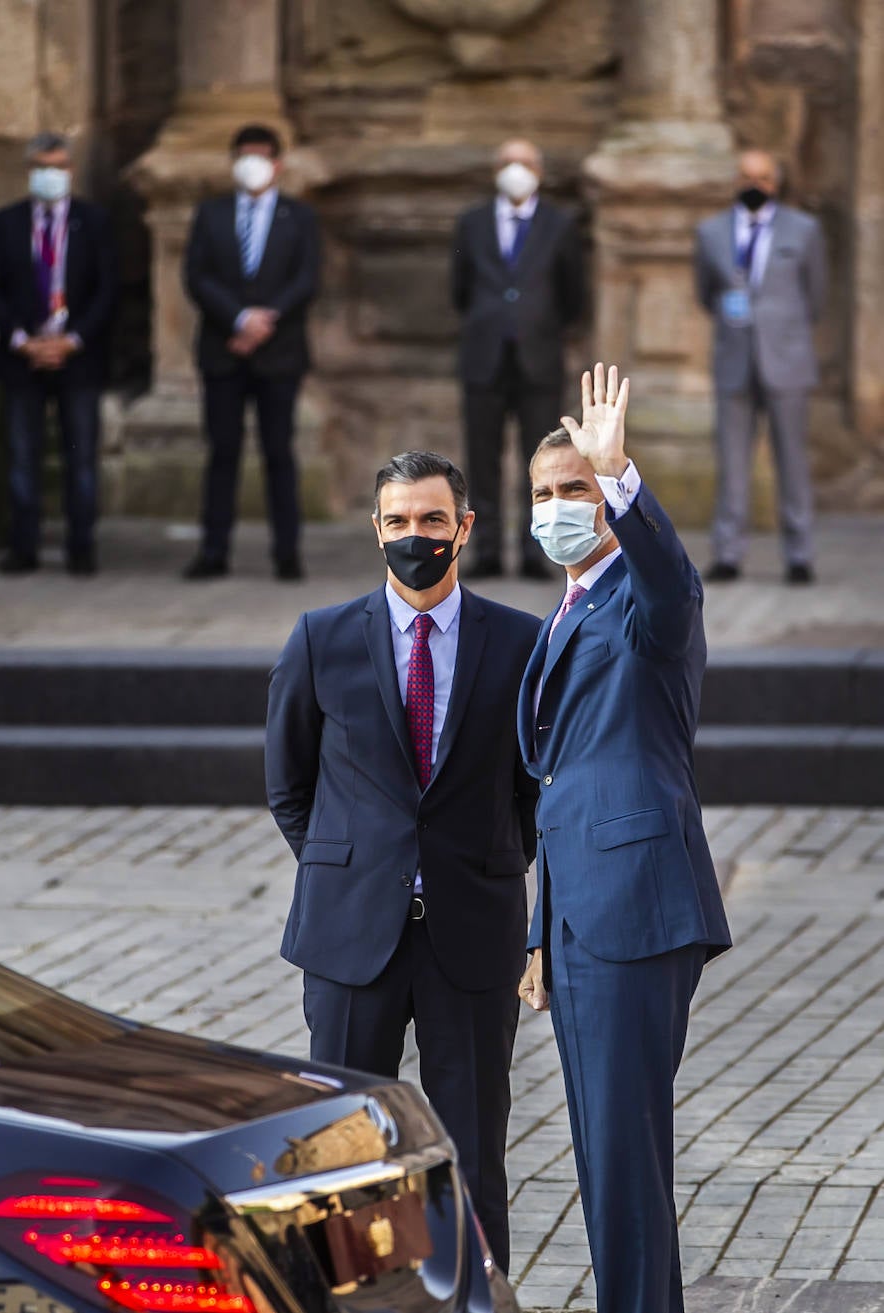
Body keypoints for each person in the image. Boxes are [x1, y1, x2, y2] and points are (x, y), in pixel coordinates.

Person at [266, 451, 542, 1273]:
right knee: (345, 1155)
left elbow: (535, 785)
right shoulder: (321, 639)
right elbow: (290, 785)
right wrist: (355, 873)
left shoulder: (522, 641)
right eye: (397, 522)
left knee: (472, 1157)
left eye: (430, 520)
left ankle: (473, 1296)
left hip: (473, 937)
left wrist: (491, 864)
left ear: (463, 528)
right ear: (375, 530)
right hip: (352, 941)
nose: (413, 536)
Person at [516, 362, 732, 1313]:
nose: (561, 507)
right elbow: (561, 782)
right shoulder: (565, 608)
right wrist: (538, 931)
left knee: (624, 1152)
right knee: (607, 1153)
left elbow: (675, 589)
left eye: (576, 491)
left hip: (636, 912)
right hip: (578, 920)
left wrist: (622, 477)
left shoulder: (641, 604)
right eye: (546, 494)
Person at [181, 124, 320, 582]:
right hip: (223, 349)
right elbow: (197, 276)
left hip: (279, 353)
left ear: (277, 164)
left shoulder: (299, 217)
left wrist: (265, 319)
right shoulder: (211, 214)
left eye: (261, 156)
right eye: (244, 155)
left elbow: (307, 278)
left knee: (279, 451)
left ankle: (287, 553)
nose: (252, 164)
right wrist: (239, 319)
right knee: (222, 452)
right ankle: (213, 550)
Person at [0, 132, 118, 576]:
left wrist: (70, 340)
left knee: (80, 456)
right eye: (42, 166)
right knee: (23, 457)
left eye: (58, 166)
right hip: (23, 360)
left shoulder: (94, 222)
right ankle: (23, 547)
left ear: (71, 171)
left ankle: (82, 547)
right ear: (29, 171)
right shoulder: (7, 222)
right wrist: (23, 340)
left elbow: (107, 290)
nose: (50, 174)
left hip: (78, 361)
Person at [450, 138, 586, 580]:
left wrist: (538, 323)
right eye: (508, 162)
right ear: (495, 169)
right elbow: (460, 289)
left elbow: (574, 296)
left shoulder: (559, 225)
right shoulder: (471, 223)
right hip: (484, 356)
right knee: (482, 457)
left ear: (540, 172)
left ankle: (535, 552)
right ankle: (485, 549)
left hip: (538, 357)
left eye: (525, 163)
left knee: (541, 460)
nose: (516, 170)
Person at [694, 150, 826, 584]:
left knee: (792, 460)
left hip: (787, 361)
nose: (756, 184)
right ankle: (728, 553)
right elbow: (705, 293)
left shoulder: (803, 230)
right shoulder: (711, 232)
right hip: (734, 360)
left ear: (776, 181)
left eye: (764, 177)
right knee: (731, 463)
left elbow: (817, 295)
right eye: (748, 176)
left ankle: (799, 554)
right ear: (736, 179)